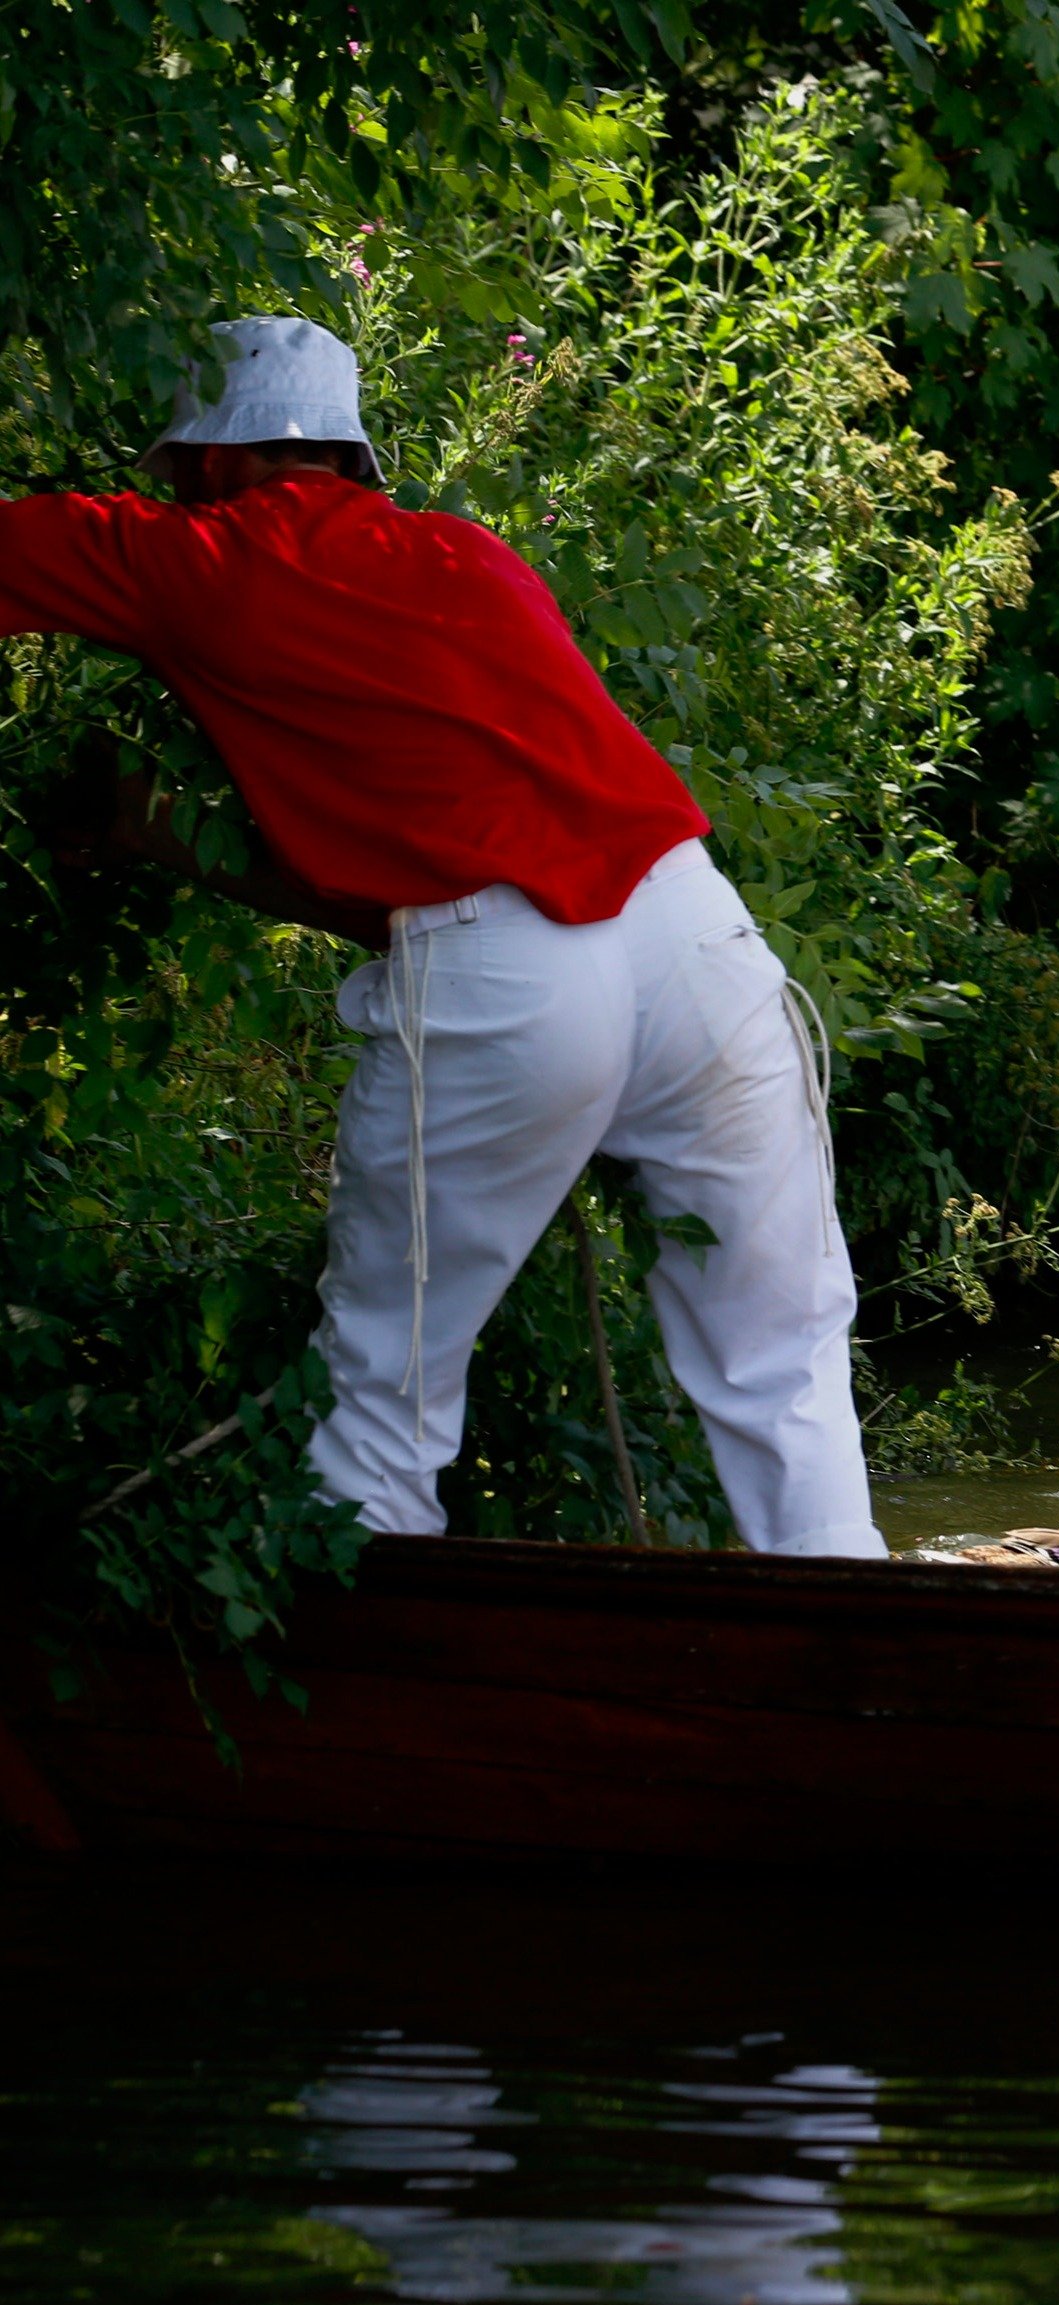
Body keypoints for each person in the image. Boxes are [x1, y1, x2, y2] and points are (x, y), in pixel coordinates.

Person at [6, 315, 882, 1556]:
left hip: (512, 968)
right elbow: (403, 880)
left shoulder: (196, 561)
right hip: (700, 942)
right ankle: (862, 1655)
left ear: (206, 464)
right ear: (357, 458)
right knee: (782, 1359)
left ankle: (368, 1678)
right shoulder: (474, 557)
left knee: (386, 1378)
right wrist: (160, 836)